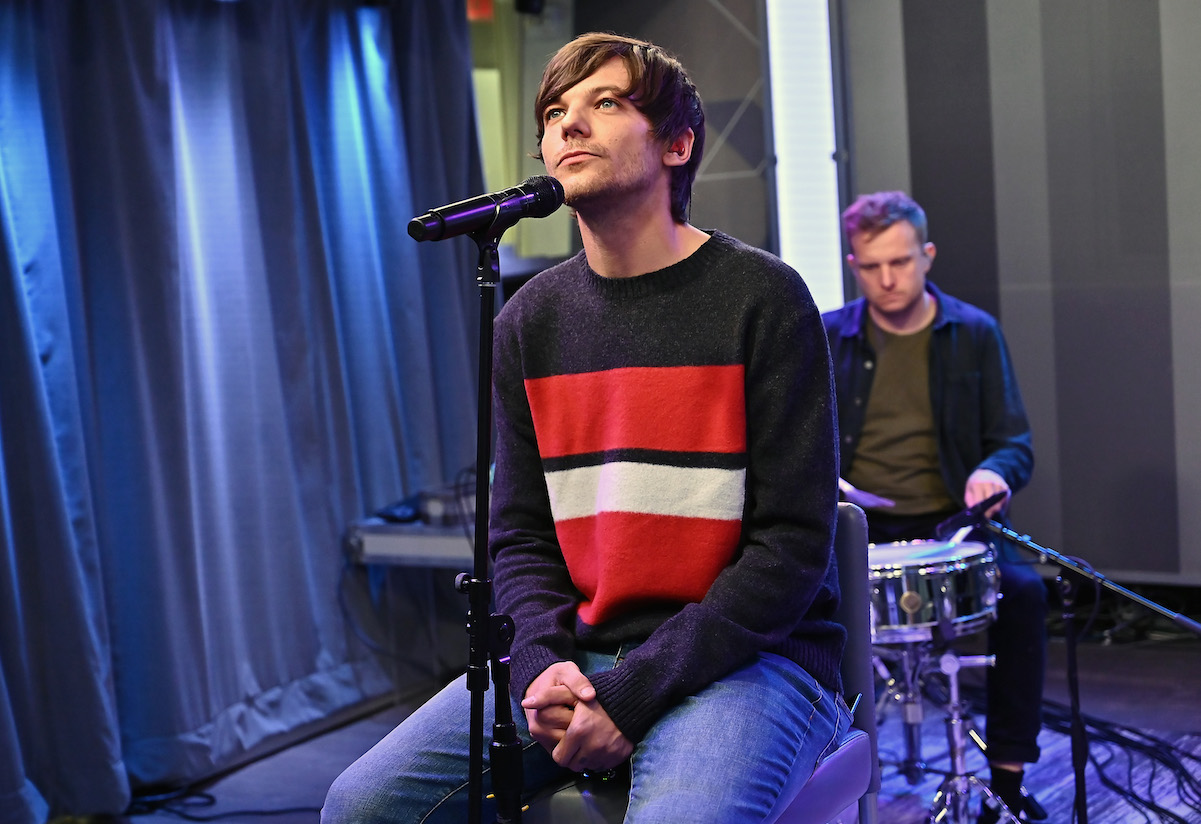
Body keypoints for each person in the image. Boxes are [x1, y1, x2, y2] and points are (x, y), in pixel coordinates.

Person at [322, 32, 850, 824]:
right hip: (581, 651)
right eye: (553, 112)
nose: (568, 123)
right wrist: (541, 664)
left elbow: (791, 547)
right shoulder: (528, 320)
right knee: (357, 807)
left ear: (677, 144)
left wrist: (631, 693)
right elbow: (521, 535)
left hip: (750, 662)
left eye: (604, 103)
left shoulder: (762, 298)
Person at [823, 190, 1046, 823]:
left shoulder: (973, 333)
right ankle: (826, 774)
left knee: (1025, 595)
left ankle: (1007, 776)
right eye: (871, 267)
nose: (887, 279)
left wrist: (992, 472)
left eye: (900, 262)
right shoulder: (829, 335)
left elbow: (1015, 442)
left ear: (927, 255)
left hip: (953, 524)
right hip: (858, 526)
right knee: (787, 597)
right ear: (854, 265)